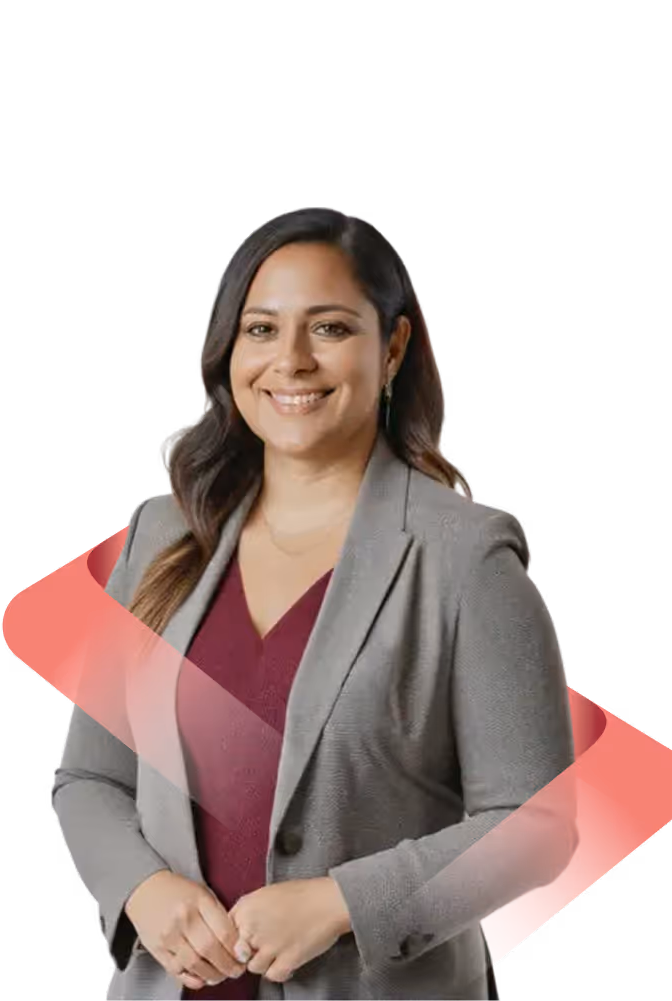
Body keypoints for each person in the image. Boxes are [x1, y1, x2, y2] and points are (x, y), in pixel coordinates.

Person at [51, 207, 576, 1000]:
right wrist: (140, 888)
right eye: (261, 330)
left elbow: (535, 827)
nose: (290, 361)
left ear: (392, 347)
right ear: (229, 351)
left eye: (328, 328)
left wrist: (340, 904)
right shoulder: (158, 534)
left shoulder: (466, 558)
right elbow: (88, 778)